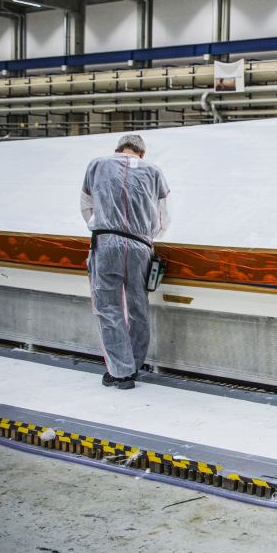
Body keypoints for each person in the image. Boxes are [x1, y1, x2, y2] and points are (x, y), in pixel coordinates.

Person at [80, 134, 170, 390]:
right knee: (138, 306)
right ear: (142, 153)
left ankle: (120, 371)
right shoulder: (154, 171)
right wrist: (146, 236)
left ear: (118, 149)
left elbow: (86, 206)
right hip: (140, 245)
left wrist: (102, 226)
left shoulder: (97, 164)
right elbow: (163, 217)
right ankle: (135, 364)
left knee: (108, 307)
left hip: (106, 242)